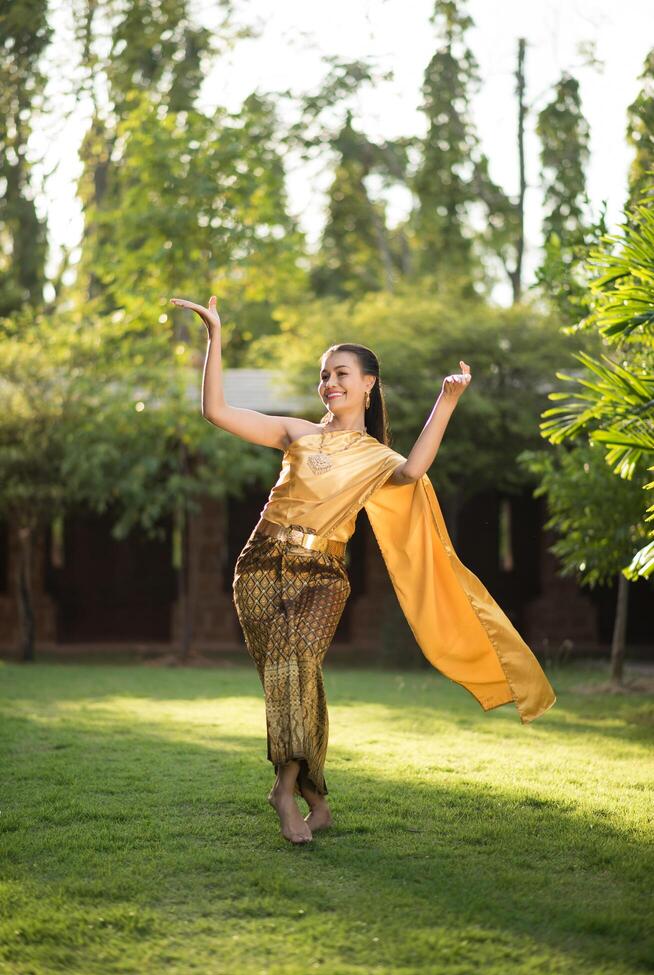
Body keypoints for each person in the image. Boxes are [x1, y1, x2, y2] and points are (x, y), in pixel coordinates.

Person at [170, 294, 556, 846]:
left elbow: (416, 468)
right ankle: (317, 799)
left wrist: (447, 401)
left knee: (296, 666)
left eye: (342, 373)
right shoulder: (297, 433)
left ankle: (283, 789)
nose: (330, 382)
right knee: (297, 678)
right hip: (260, 565)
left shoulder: (377, 458)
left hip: (324, 575)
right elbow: (218, 412)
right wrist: (216, 338)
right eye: (324, 375)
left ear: (369, 383)